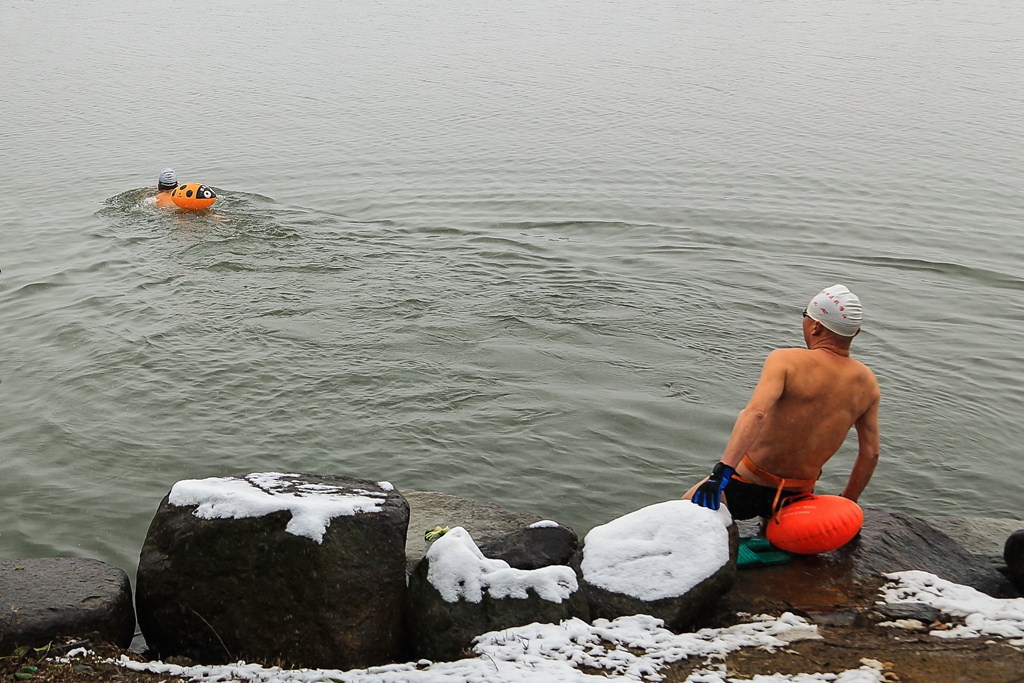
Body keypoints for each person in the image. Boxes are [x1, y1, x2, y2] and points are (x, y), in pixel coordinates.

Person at [685, 284, 880, 523]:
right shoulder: (868, 383)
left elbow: (756, 414)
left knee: (682, 514)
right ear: (856, 333)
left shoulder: (785, 360)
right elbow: (870, 453)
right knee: (775, 537)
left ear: (816, 326)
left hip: (744, 485)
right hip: (794, 499)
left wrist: (721, 472)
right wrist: (848, 501)